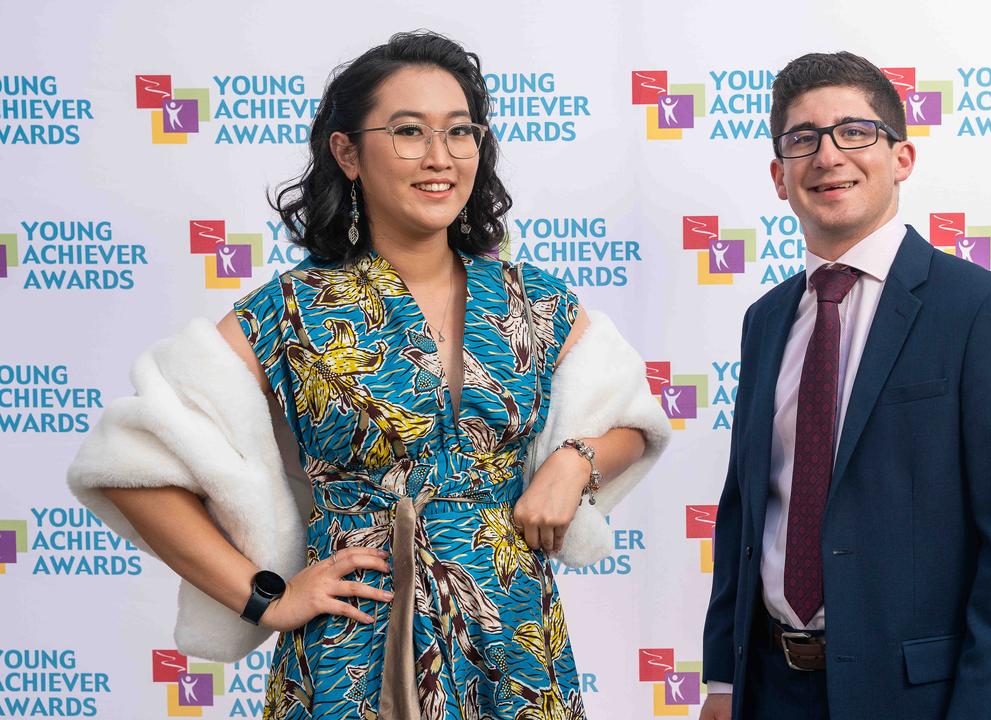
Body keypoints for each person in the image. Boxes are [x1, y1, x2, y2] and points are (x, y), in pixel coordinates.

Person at [67, 31, 669, 720]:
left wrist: (574, 459)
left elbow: (633, 419)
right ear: (347, 152)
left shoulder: (534, 300)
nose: (439, 157)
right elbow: (129, 460)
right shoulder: (291, 311)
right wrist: (267, 595)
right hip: (353, 653)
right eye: (409, 131)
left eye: (459, 132)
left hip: (513, 643)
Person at [700, 52, 991, 720]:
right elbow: (747, 514)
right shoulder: (766, 321)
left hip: (919, 699)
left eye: (855, 132)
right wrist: (723, 682)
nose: (828, 155)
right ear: (780, 178)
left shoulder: (984, 312)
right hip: (770, 692)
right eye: (802, 140)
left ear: (902, 158)